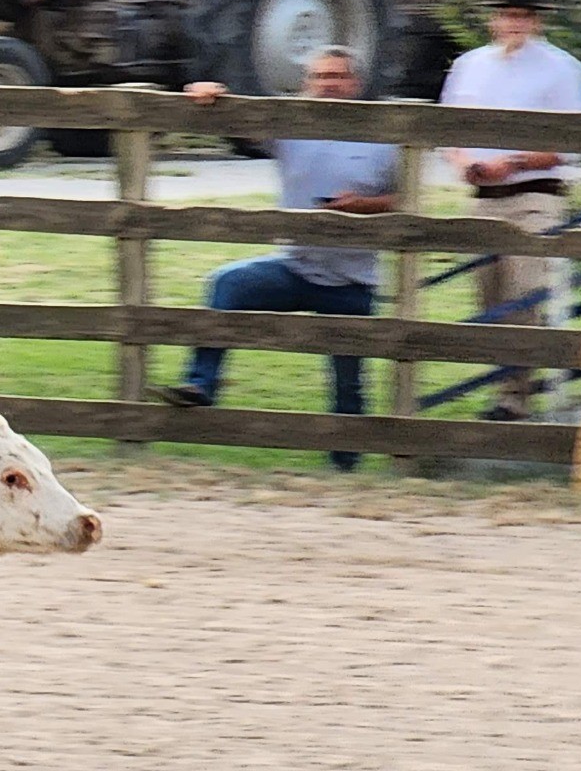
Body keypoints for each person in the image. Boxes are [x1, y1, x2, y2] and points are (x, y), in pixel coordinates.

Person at [150, 47, 399, 470]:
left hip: (353, 280)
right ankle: (201, 384)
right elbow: (241, 126)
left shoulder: (380, 137)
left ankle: (346, 467)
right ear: (308, 84)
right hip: (296, 266)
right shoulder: (292, 125)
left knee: (348, 379)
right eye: (320, 77)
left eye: (338, 76)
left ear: (355, 84)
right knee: (228, 283)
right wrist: (212, 96)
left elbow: (406, 199)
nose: (329, 85)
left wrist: (363, 205)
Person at [440, 0, 581, 421]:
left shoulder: (562, 69)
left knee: (524, 291)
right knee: (488, 292)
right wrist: (465, 164)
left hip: (536, 194)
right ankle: (506, 387)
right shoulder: (469, 65)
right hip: (484, 193)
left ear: (536, 21)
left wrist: (519, 162)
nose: (514, 23)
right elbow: (448, 127)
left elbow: (574, 140)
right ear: (494, 18)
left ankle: (515, 398)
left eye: (522, 15)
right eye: (507, 14)